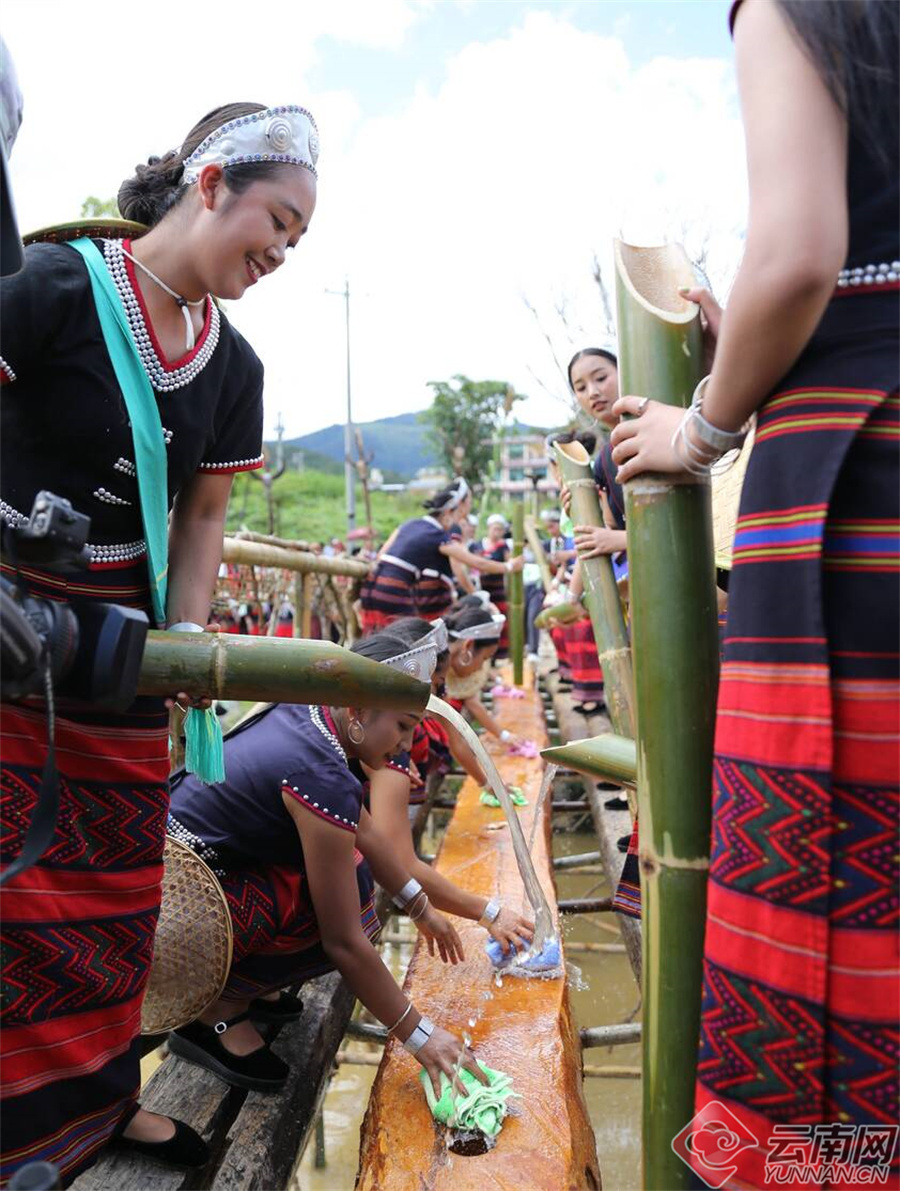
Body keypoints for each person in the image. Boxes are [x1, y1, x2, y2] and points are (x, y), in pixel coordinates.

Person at [0, 100, 319, 1182]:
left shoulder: (236, 370)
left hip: (120, 667)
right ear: (212, 182)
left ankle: (94, 1107)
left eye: (299, 239)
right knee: (13, 891)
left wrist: (187, 655)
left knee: (114, 902)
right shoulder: (54, 287)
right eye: (277, 218)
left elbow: (201, 522)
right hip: (11, 645)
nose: (282, 250)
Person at [610, 2, 898, 1183]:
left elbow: (798, 253)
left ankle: (830, 1157)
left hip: (862, 463)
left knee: (828, 875)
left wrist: (707, 423)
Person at [166, 633, 487, 1099]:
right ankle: (219, 1003)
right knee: (349, 903)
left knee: (350, 875)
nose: (404, 745)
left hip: (178, 879)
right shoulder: (322, 771)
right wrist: (422, 1036)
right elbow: (344, 944)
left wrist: (420, 908)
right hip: (176, 922)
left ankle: (246, 984)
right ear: (356, 712)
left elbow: (368, 831)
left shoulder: (311, 716)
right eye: (401, 726)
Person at [365, 619, 535, 950]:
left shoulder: (383, 733)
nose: (441, 696)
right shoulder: (387, 746)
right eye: (438, 686)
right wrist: (489, 913)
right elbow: (401, 861)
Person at [358, 478, 523, 632]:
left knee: (379, 641)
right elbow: (477, 563)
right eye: (467, 503)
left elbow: (381, 555)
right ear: (453, 509)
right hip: (395, 591)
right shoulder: (438, 536)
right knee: (406, 647)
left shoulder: (409, 524)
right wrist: (509, 566)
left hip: (371, 587)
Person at [443, 603, 523, 749]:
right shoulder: (431, 676)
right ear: (468, 647)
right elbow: (456, 744)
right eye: (484, 658)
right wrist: (504, 735)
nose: (481, 668)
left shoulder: (444, 664)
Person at [479, 514, 511, 657]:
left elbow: (510, 567)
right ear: (489, 528)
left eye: (500, 529)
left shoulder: (503, 547)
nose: (496, 532)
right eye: (494, 529)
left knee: (500, 620)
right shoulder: (477, 545)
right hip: (482, 589)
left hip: (498, 589)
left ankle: (500, 654)